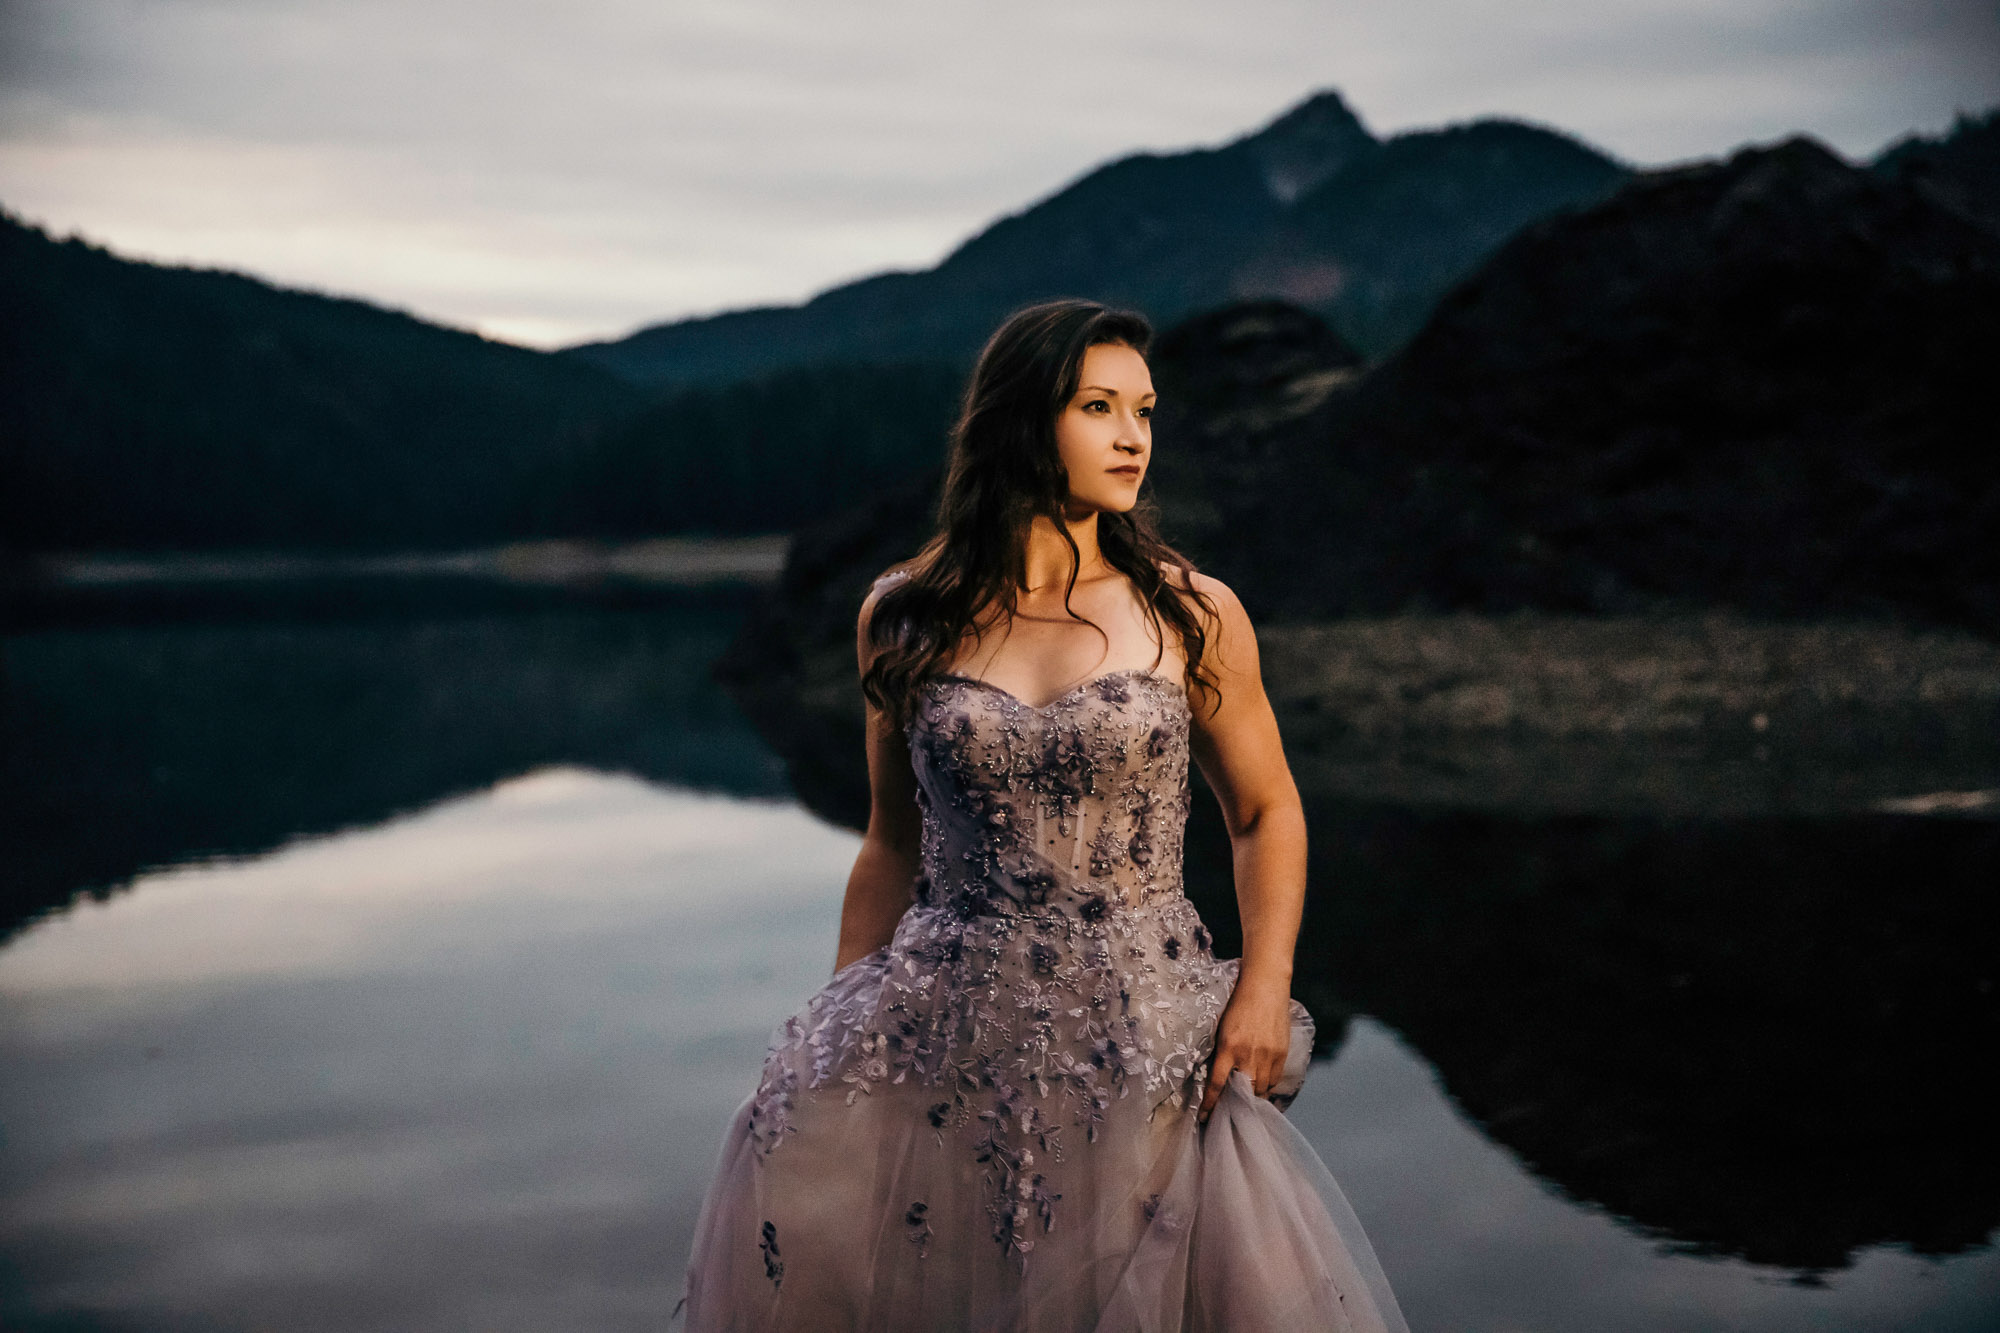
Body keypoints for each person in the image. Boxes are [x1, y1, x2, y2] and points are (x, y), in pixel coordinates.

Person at [677, 299, 1407, 1332]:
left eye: (1143, 411)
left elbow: (1263, 809)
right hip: (947, 1030)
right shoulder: (902, 615)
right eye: (1097, 406)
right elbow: (890, 846)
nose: (1130, 436)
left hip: (1138, 1032)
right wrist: (835, 1029)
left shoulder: (1190, 610)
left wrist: (1263, 984)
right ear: (1021, 421)